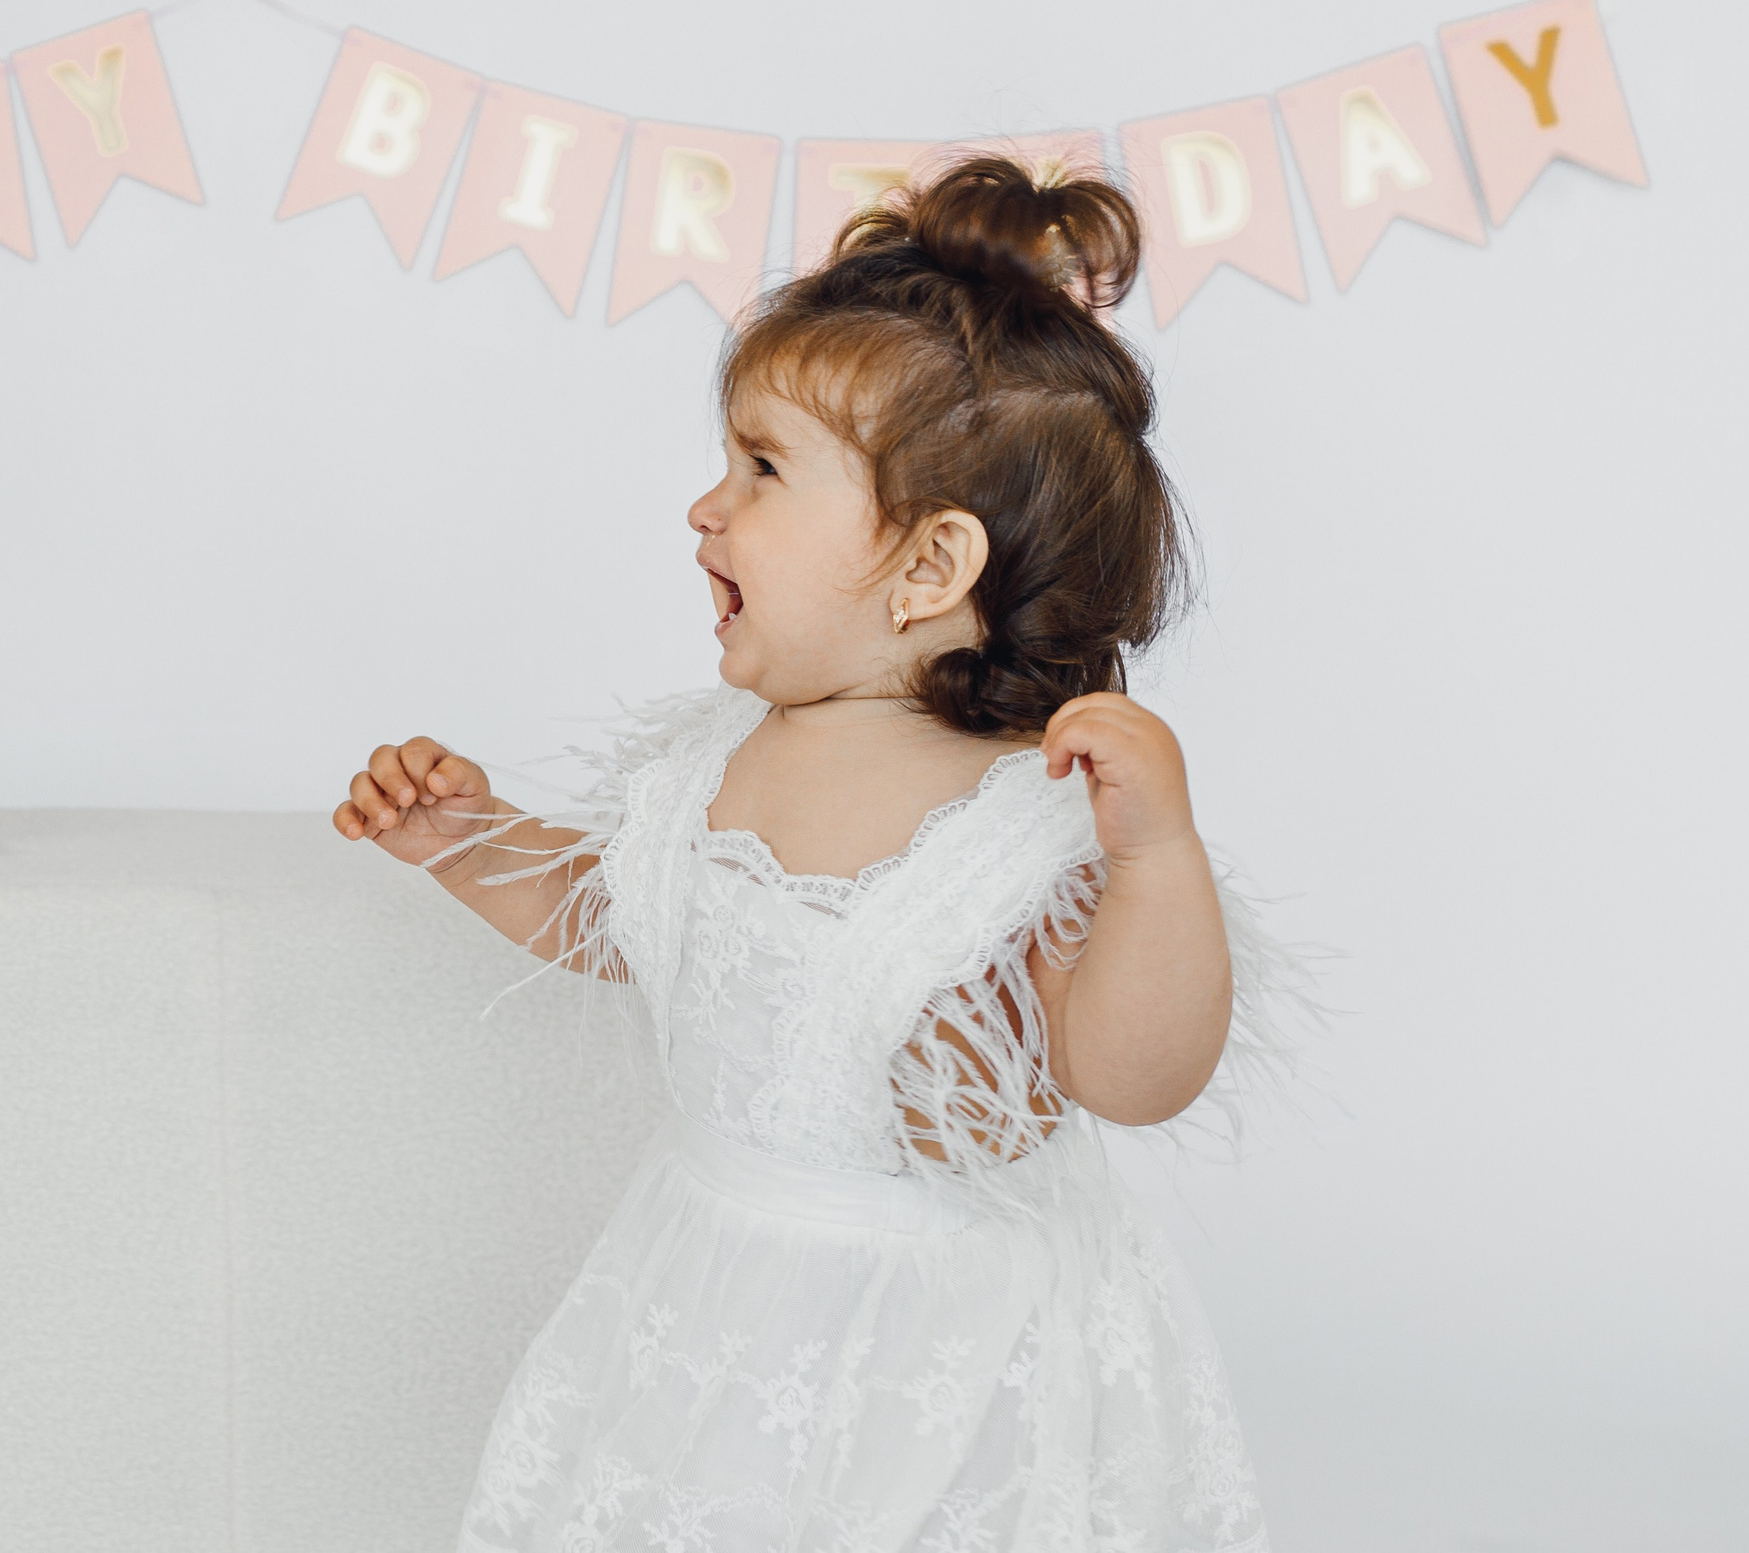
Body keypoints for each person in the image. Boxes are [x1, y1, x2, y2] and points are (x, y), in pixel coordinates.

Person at [334, 153, 1316, 1551]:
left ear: (928, 568)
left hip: (945, 1355)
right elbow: (625, 918)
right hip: (711, 1297)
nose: (706, 507)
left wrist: (1158, 857)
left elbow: (1131, 1074)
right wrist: (465, 844)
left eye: (762, 469)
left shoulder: (1026, 822)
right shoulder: (719, 761)